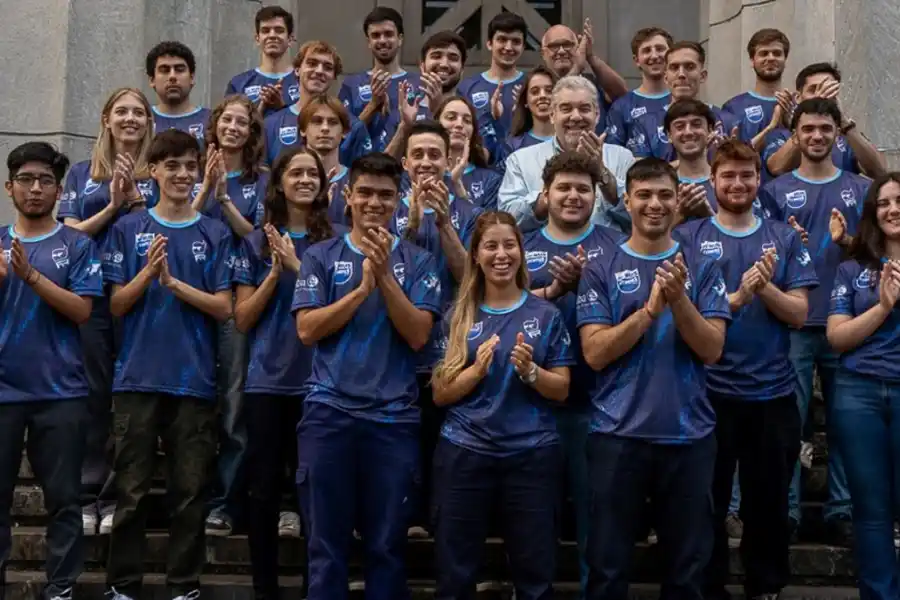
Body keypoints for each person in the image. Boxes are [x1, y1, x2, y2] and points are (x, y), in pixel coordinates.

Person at [577, 157, 730, 600]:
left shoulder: (702, 267)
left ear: (677, 199)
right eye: (643, 195)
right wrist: (648, 312)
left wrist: (679, 301)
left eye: (664, 194)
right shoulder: (601, 267)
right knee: (607, 568)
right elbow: (595, 352)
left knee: (686, 574)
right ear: (627, 200)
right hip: (617, 437)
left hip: (689, 437)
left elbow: (713, 349)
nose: (654, 204)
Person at [292, 152, 442, 600]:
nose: (375, 202)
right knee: (325, 546)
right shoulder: (320, 256)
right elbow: (307, 329)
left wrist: (384, 279)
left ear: (399, 200)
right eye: (366, 193)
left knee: (387, 546)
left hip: (393, 419)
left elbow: (419, 336)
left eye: (385, 195)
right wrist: (360, 290)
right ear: (347, 196)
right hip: (328, 413)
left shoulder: (418, 262)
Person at [674, 140, 817, 600]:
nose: (737, 184)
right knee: (706, 503)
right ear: (712, 181)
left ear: (759, 180)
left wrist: (764, 288)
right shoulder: (689, 238)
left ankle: (765, 587)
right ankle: (709, 587)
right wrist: (737, 295)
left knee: (768, 504)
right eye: (728, 176)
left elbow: (799, 313)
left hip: (772, 395)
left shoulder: (783, 237)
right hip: (706, 393)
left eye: (746, 176)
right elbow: (683, 312)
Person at [102, 130, 232, 600]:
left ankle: (184, 585)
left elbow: (224, 308)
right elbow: (116, 304)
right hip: (136, 378)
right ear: (152, 171)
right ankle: (123, 586)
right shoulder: (127, 229)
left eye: (189, 166)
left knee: (190, 493)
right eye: (171, 166)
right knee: (132, 494)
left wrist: (175, 285)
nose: (181, 174)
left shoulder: (213, 232)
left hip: (194, 381)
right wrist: (147, 275)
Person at [430, 210, 574, 599]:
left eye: (509, 245)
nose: (501, 254)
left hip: (531, 455)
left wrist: (531, 373)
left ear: (521, 252)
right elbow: (440, 394)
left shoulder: (546, 315)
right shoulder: (456, 317)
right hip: (464, 452)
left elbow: (562, 389)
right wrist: (476, 372)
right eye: (491, 246)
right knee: (455, 574)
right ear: (476, 254)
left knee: (535, 573)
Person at [758, 97, 872, 546]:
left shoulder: (860, 190)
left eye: (826, 129)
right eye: (809, 129)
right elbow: (763, 256)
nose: (818, 137)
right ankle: (785, 510)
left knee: (845, 423)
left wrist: (848, 243)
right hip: (795, 325)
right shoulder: (775, 190)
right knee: (790, 423)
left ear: (836, 134)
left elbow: (874, 254)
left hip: (848, 322)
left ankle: (841, 509)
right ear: (796, 134)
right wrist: (789, 244)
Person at [0, 142, 102, 600]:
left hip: (61, 391)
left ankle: (60, 587)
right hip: (3, 392)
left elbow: (82, 310)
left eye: (44, 181)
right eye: (26, 180)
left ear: (59, 191)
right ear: (9, 187)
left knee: (64, 499)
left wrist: (32, 277)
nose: (35, 188)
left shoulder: (76, 244)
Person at [233, 147, 335, 599]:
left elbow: (345, 308)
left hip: (324, 383)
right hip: (268, 382)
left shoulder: (337, 240)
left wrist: (300, 267)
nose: (305, 179)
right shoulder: (256, 241)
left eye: (313, 173)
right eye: (296, 172)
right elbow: (242, 318)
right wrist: (275, 274)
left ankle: (318, 587)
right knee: (264, 491)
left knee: (318, 493)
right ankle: (265, 590)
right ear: (280, 183)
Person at [57, 87, 158, 537]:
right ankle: (87, 492)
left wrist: (136, 199)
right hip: (93, 295)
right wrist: (113, 206)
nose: (130, 118)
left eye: (138, 111)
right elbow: (69, 232)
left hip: (143, 296)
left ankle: (119, 493)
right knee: (95, 393)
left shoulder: (159, 173)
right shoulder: (83, 173)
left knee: (132, 397)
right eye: (122, 111)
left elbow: (169, 227)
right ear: (106, 119)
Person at [522, 151, 623, 597]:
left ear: (597, 195)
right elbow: (503, 311)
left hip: (599, 402)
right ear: (545, 194)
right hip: (532, 405)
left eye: (583, 188)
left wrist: (591, 285)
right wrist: (555, 290)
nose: (573, 195)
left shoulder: (616, 244)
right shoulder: (522, 246)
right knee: (534, 517)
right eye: (563, 187)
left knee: (597, 518)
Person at [192, 94, 268, 537]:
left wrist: (224, 200)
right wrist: (206, 187)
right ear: (215, 127)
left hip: (242, 295)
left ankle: (224, 501)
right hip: (196, 293)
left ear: (252, 132)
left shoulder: (261, 181)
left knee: (234, 403)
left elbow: (259, 236)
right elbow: (184, 219)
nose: (234, 128)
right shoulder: (192, 170)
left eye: (243, 122)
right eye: (227, 121)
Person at [827, 172, 900, 599]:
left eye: (899, 200)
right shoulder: (853, 269)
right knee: (871, 512)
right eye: (884, 203)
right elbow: (837, 338)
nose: (892, 209)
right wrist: (884, 307)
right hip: (859, 393)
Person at [499, 75, 636, 234]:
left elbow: (639, 216)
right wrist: (551, 195)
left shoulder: (622, 158)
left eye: (584, 108)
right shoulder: (520, 161)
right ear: (552, 115)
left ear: (597, 115)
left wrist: (602, 174)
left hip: (609, 255)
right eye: (566, 108)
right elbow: (508, 220)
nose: (576, 116)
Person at [764, 63, 886, 179]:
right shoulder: (782, 134)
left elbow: (879, 171)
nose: (821, 95)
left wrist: (844, 123)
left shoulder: (848, 136)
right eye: (813, 90)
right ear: (798, 98)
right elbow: (776, 168)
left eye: (828, 90)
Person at [263, 41, 372, 168]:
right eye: (312, 63)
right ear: (297, 70)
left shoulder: (353, 126)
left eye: (328, 67)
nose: (320, 71)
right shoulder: (270, 125)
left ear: (334, 76)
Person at [625, 41, 739, 161]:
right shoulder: (644, 124)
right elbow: (640, 175)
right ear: (666, 77)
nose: (681, 74)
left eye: (689, 67)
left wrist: (728, 157)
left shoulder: (728, 121)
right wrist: (692, 161)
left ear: (703, 76)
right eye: (674, 68)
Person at [339, 7, 419, 151]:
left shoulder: (418, 83)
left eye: (388, 34)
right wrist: (373, 105)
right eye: (376, 35)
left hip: (407, 169)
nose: (382, 40)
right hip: (364, 168)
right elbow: (344, 136)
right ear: (368, 42)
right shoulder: (351, 84)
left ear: (400, 39)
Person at [457, 12, 528, 141]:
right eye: (502, 40)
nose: (508, 47)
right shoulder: (467, 87)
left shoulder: (532, 85)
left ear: (523, 47)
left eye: (516, 42)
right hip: (481, 159)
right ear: (489, 44)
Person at [604, 27, 673, 148]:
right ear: (636, 60)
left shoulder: (684, 100)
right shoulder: (621, 107)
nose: (654, 55)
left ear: (671, 55)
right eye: (647, 51)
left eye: (660, 49)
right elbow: (614, 158)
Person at [540, 20, 627, 115]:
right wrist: (577, 68)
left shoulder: (591, 83)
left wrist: (590, 56)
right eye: (554, 46)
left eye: (567, 45)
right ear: (543, 54)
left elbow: (622, 94)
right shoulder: (539, 86)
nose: (561, 51)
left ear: (577, 47)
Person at [225, 5, 299, 115]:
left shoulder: (303, 81)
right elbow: (230, 126)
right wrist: (260, 109)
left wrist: (282, 107)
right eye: (265, 31)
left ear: (290, 39)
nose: (272, 35)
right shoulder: (238, 83)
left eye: (279, 30)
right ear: (257, 39)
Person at [723, 29, 792, 147]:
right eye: (764, 53)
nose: (770, 58)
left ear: (785, 60)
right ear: (752, 61)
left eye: (777, 53)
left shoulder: (797, 105)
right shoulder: (733, 107)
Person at [433, 97, 503, 210]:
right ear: (436, 124)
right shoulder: (421, 173)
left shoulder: (490, 180)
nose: (459, 124)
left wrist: (459, 189)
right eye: (451, 118)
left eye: (467, 121)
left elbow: (489, 226)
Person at [295, 95, 353, 225]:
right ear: (303, 130)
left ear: (344, 131)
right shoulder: (290, 180)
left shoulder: (355, 181)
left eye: (333, 122)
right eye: (317, 121)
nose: (325, 128)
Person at [146, 41, 210, 144]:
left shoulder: (211, 121)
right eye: (164, 70)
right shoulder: (142, 120)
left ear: (192, 78)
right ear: (152, 80)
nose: (172, 76)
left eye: (179, 70)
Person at [666, 98, 717, 220]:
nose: (688, 132)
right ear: (669, 135)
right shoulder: (660, 184)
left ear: (710, 130)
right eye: (680, 126)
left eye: (696, 124)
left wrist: (707, 214)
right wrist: (681, 214)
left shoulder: (728, 181)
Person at [506, 66, 558, 154]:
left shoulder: (568, 141)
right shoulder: (513, 145)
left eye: (549, 91)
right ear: (525, 101)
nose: (542, 96)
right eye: (535, 92)